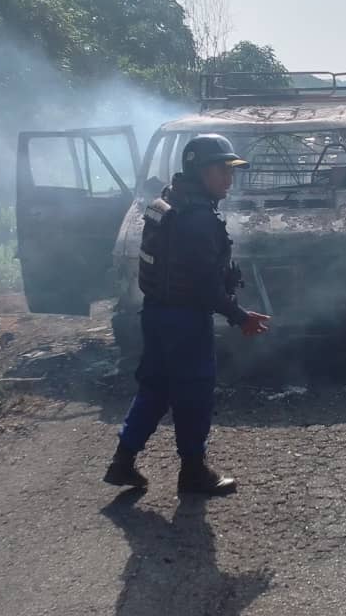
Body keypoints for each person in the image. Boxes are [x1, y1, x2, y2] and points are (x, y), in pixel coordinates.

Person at [104, 135, 271, 496]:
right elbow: (205, 288)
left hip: (156, 314)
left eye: (230, 171)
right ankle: (194, 473)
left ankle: (122, 461)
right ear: (199, 171)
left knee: (156, 388)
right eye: (220, 170)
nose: (228, 179)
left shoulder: (167, 202)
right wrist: (241, 316)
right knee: (194, 393)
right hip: (186, 321)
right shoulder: (198, 220)